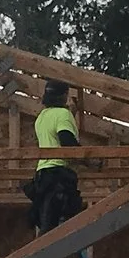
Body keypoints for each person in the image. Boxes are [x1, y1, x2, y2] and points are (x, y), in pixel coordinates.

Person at [26, 79, 85, 232]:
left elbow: (55, 131)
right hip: (58, 178)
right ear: (65, 95)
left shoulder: (42, 117)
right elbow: (67, 142)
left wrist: (71, 114)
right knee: (64, 229)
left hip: (42, 178)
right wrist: (89, 160)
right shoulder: (63, 115)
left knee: (47, 227)